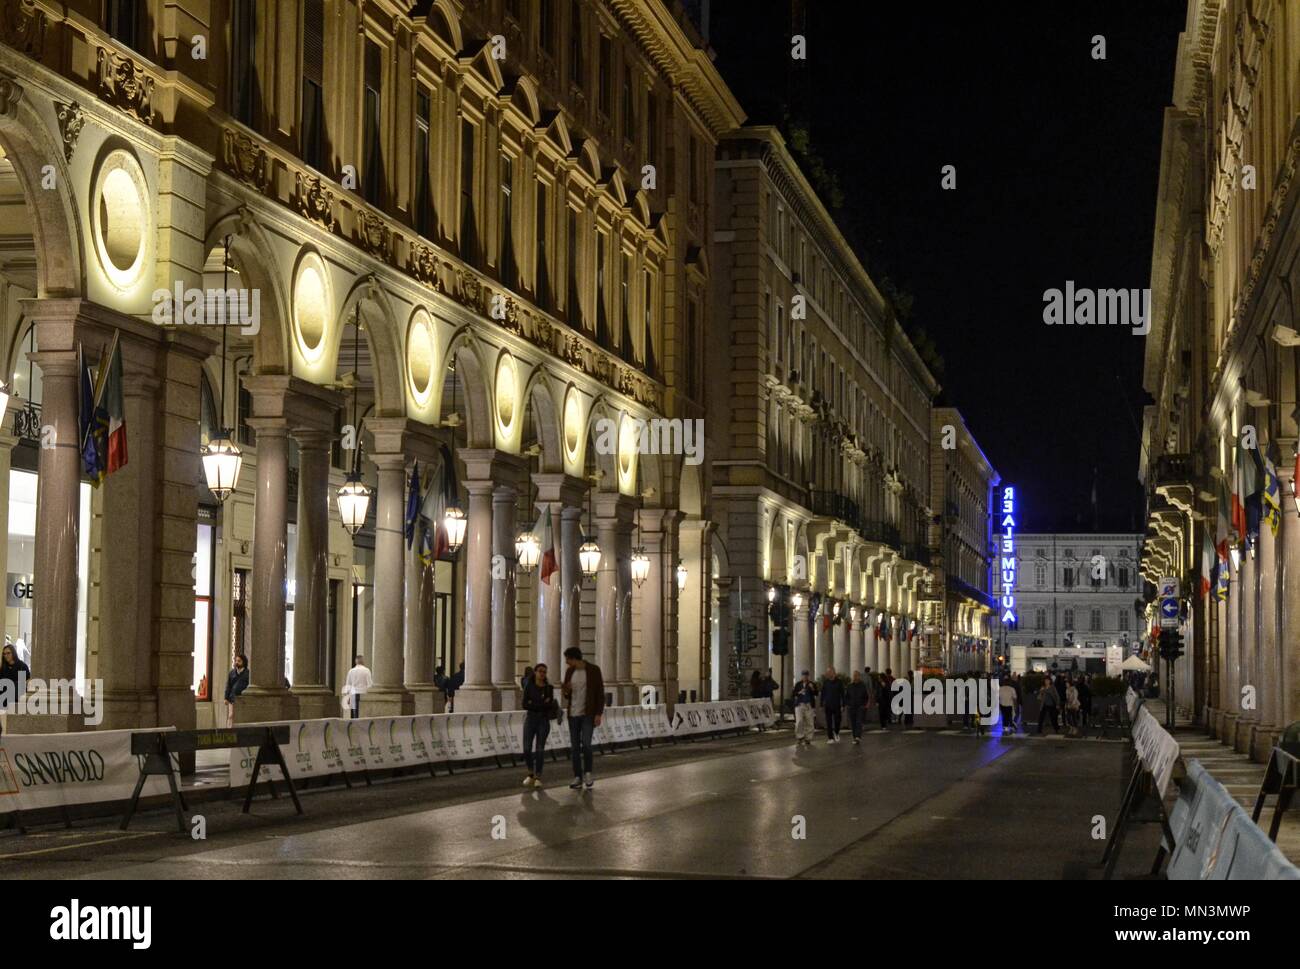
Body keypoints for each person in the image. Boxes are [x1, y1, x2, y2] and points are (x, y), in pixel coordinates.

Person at [561, 646, 604, 790]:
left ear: (574, 658)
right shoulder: (569, 672)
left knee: (586, 744)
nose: (566, 662)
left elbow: (600, 693)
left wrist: (598, 713)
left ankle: (588, 773)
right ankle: (577, 776)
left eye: (567, 659)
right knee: (574, 747)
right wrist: (566, 691)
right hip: (573, 714)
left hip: (588, 713)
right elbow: (567, 695)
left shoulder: (593, 670)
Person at [521, 663, 555, 788]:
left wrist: (534, 703)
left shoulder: (548, 688)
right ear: (535, 672)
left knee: (540, 749)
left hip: (543, 720)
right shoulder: (529, 686)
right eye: (540, 671)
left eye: (544, 672)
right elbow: (524, 704)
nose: (542, 674)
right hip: (530, 719)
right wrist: (541, 703)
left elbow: (550, 705)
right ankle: (530, 772)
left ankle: (538, 776)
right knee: (526, 748)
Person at [0, 642, 31, 735]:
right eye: (4, 654)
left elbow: (23, 686)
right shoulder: (2, 668)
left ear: (13, 653)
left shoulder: (22, 666)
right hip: (3, 700)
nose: (6, 655)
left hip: (16, 700)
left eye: (8, 653)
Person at [792, 671, 817, 747]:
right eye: (803, 675)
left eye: (806, 675)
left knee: (809, 722)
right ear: (801, 676)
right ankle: (800, 737)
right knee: (799, 721)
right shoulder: (798, 684)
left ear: (808, 676)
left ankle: (808, 738)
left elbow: (816, 693)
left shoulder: (811, 684)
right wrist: (799, 692)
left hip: (808, 705)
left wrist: (812, 689)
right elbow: (793, 694)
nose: (805, 677)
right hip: (800, 704)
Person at [820, 666, 844, 743]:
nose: (827, 673)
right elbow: (823, 694)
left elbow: (842, 694)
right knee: (828, 722)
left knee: (837, 720)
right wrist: (821, 704)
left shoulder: (839, 682)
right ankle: (830, 738)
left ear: (833, 672)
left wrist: (843, 705)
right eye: (827, 672)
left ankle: (836, 732)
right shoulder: (826, 682)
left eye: (829, 672)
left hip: (837, 705)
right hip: (828, 705)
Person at [344, 655, 373, 719]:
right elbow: (370, 685)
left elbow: (348, 685)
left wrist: (347, 697)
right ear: (363, 661)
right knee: (364, 714)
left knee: (355, 714)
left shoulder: (351, 671)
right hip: (363, 694)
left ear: (356, 662)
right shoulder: (366, 670)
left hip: (353, 694)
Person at [224, 653, 249, 727]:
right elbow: (228, 686)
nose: (236, 663)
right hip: (232, 698)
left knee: (241, 717)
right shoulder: (232, 673)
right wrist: (226, 697)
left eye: (239, 661)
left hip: (242, 699)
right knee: (231, 715)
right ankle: (229, 731)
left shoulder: (247, 674)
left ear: (243, 662)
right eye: (236, 661)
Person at [845, 671, 870, 744]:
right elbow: (846, 697)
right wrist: (848, 704)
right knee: (853, 723)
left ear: (859, 677)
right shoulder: (850, 686)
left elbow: (866, 696)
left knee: (858, 722)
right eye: (854, 676)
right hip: (852, 707)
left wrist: (864, 705)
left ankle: (857, 737)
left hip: (860, 707)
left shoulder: (863, 686)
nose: (855, 677)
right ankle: (854, 737)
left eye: (857, 676)